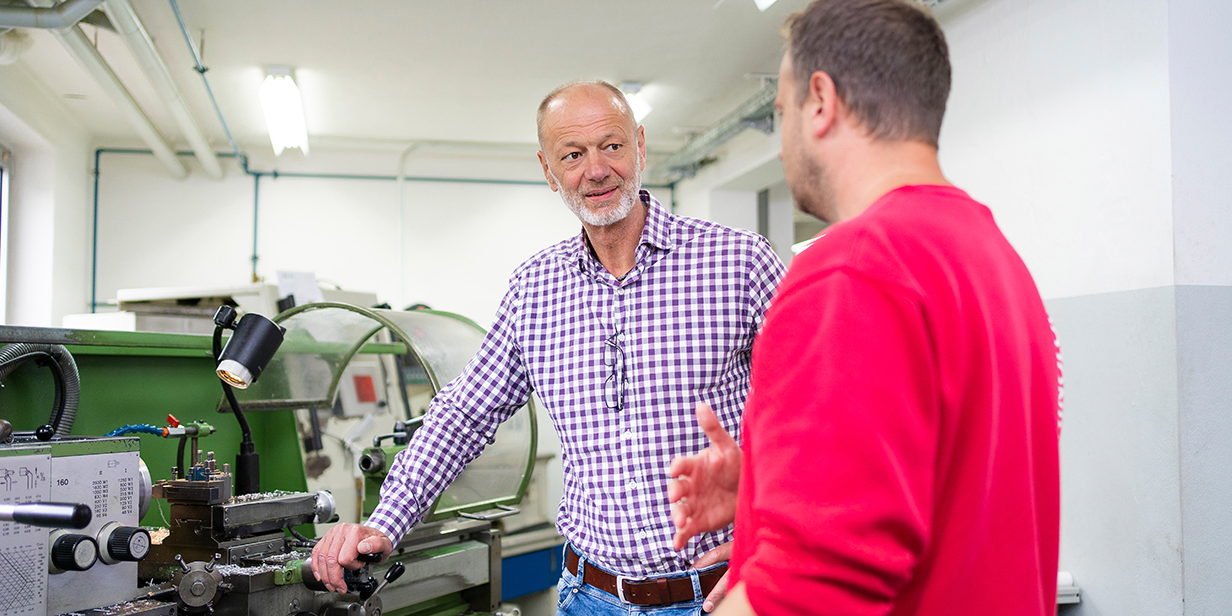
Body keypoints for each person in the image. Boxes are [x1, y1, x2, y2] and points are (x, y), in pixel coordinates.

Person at [311, 81, 786, 615]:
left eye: (612, 145)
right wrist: (385, 520)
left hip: (719, 592)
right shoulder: (535, 288)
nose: (597, 170)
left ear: (641, 147)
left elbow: (824, 410)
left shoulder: (737, 261)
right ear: (548, 170)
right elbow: (463, 414)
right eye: (573, 155)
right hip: (590, 596)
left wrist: (779, 531)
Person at [667, 1, 1062, 615]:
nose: (780, 148)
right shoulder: (993, 259)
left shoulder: (855, 266)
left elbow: (811, 588)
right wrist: (764, 490)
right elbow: (941, 483)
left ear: (820, 101)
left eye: (781, 114)